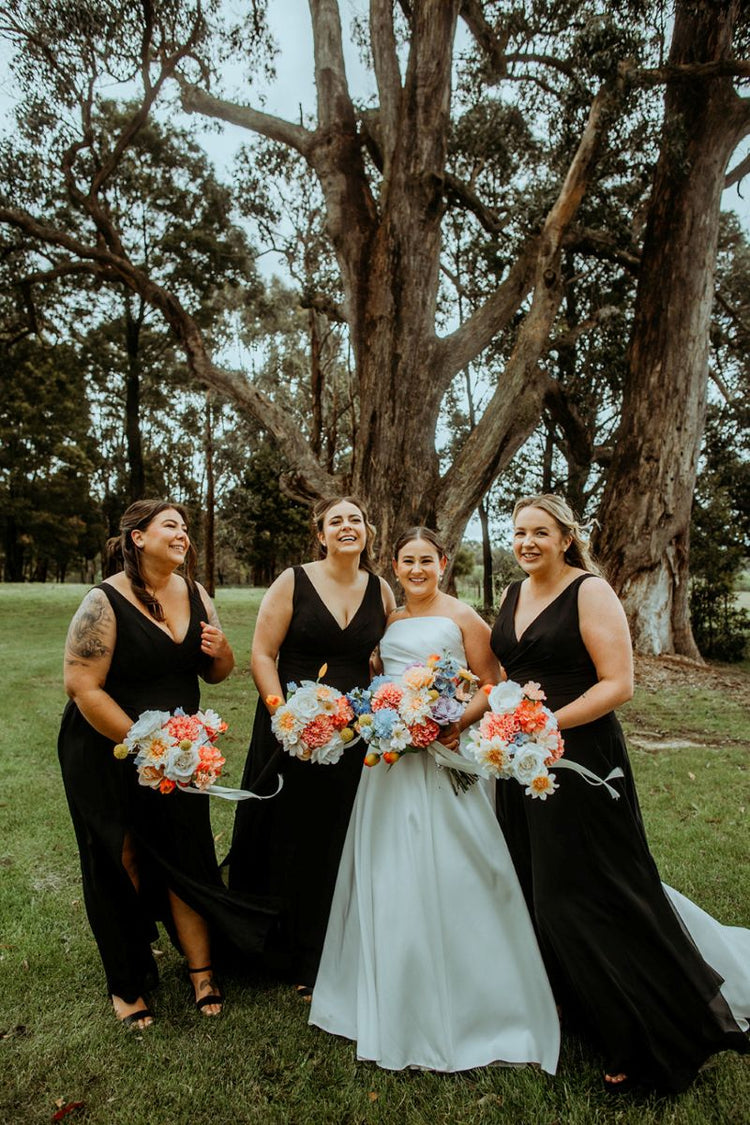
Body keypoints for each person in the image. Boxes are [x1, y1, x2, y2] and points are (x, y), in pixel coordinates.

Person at [490, 493, 750, 1094]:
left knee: (582, 890)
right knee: (536, 885)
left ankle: (650, 1033)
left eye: (540, 532)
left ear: (565, 537)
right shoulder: (513, 594)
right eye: (519, 532)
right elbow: (508, 674)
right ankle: (582, 1010)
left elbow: (619, 683)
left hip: (579, 757)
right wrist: (498, 718)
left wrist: (547, 722)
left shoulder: (589, 591)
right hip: (520, 759)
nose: (527, 542)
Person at [309, 528, 560, 1074]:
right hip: (392, 762)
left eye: (427, 560)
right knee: (388, 863)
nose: (417, 569)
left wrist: (453, 723)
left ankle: (480, 999)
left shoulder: (463, 617)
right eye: (407, 561)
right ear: (394, 568)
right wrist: (389, 717)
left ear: (443, 563)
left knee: (459, 859)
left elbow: (494, 683)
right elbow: (385, 682)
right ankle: (387, 989)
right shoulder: (391, 622)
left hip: (447, 752)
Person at [59, 499, 276, 1029]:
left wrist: (221, 650)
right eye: (170, 526)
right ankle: (128, 981)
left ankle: (202, 970)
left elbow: (216, 673)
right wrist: (145, 743)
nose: (183, 535)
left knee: (187, 853)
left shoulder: (197, 593)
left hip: (178, 750)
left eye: (184, 528)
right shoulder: (103, 600)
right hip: (106, 746)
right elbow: (82, 686)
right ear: (138, 537)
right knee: (123, 856)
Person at [224, 496, 395, 992]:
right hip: (290, 724)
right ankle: (274, 949)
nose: (346, 527)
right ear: (320, 535)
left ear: (367, 532)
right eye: (335, 521)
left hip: (350, 732)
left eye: (355, 520)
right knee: (286, 829)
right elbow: (262, 653)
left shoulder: (381, 590)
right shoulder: (292, 581)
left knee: (337, 833)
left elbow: (384, 661)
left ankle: (326, 951)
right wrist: (286, 716)